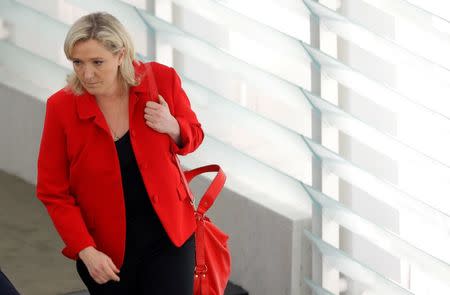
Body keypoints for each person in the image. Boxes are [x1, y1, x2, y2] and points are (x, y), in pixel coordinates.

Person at [36, 12, 204, 295]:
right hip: (105, 250)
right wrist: (86, 250)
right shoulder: (61, 108)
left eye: (97, 62)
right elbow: (52, 191)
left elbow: (194, 136)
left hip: (169, 236)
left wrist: (173, 126)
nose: (86, 73)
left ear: (120, 55)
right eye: (78, 62)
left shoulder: (160, 81)